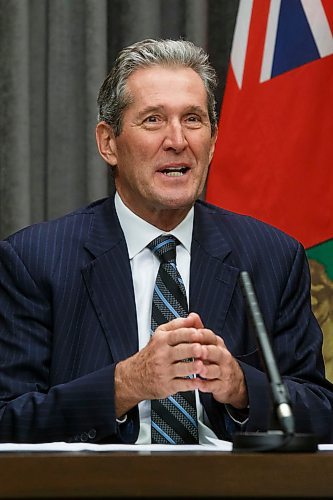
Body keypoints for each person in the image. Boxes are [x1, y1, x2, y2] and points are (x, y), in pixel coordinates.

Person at [0, 39, 332, 445]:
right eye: (154, 120)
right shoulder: (35, 260)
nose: (177, 140)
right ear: (108, 143)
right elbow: (7, 416)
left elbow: (321, 409)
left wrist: (242, 388)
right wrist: (126, 384)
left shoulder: (272, 257)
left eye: (193, 119)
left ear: (212, 142)